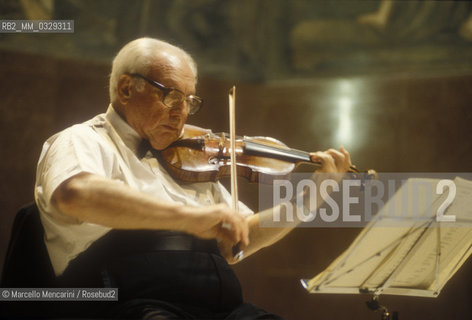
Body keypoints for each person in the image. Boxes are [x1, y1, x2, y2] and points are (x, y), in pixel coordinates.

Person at [35, 37, 352, 319]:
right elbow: (75, 194)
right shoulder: (84, 140)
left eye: (189, 100)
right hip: (123, 303)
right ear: (126, 88)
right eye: (171, 95)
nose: (182, 113)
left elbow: (234, 242)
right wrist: (190, 218)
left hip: (221, 310)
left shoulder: (191, 160)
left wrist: (313, 196)